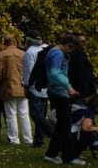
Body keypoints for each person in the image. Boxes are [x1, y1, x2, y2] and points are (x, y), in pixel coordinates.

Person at [45, 34, 82, 163]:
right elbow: (55, 73)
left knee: (62, 125)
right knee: (65, 125)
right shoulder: (58, 54)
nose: (71, 52)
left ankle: (53, 152)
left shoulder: (53, 51)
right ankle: (67, 155)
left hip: (57, 91)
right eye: (71, 49)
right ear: (68, 45)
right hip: (59, 92)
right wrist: (68, 87)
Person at [0, 35, 30, 145]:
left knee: (10, 114)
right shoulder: (23, 54)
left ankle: (14, 139)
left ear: (5, 43)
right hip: (22, 86)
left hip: (8, 86)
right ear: (15, 43)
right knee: (24, 114)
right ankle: (28, 138)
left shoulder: (2, 55)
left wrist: (0, 83)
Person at [24, 35, 55, 147]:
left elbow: (29, 70)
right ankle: (39, 139)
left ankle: (50, 132)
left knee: (36, 114)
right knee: (41, 113)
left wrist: (26, 85)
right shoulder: (47, 49)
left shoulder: (30, 52)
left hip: (35, 86)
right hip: (46, 87)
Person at [58, 93, 98, 166]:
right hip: (66, 133)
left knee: (92, 133)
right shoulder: (89, 112)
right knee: (91, 136)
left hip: (61, 129)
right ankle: (71, 157)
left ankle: (72, 155)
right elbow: (85, 128)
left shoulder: (85, 108)